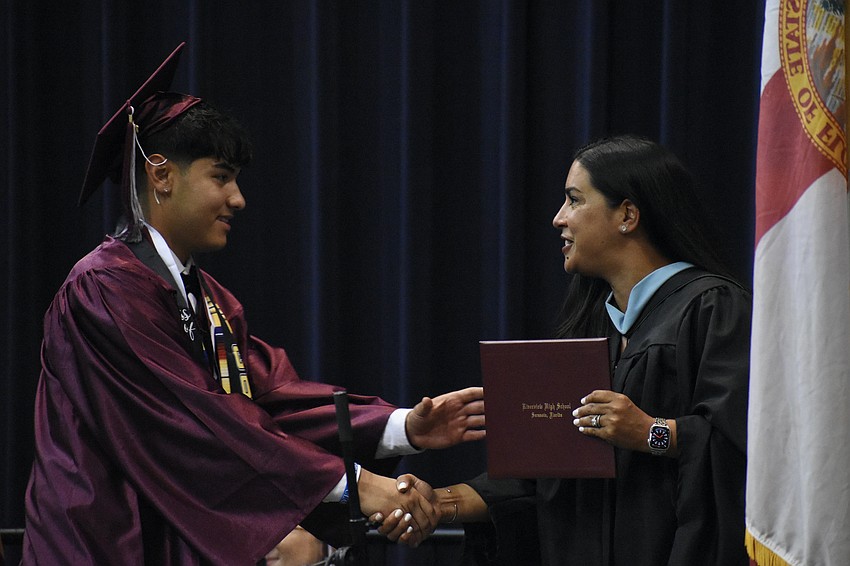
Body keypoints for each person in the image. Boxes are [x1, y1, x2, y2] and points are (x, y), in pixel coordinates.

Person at [22, 43, 484, 565]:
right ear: (161, 174)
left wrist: (401, 427)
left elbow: (270, 403)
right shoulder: (104, 290)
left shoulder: (210, 300)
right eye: (221, 176)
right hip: (102, 539)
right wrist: (356, 485)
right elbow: (196, 426)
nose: (238, 198)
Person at [378, 135, 751, 565]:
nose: (558, 219)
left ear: (627, 214)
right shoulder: (592, 328)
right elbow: (540, 481)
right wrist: (436, 502)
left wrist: (652, 432)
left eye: (574, 201)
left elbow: (742, 447)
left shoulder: (713, 308)